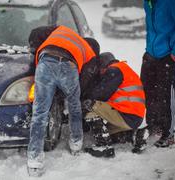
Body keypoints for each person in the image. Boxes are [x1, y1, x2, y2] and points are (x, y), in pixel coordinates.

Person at [27, 25, 98, 177]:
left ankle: (34, 161)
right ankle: (76, 144)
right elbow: (86, 79)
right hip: (68, 65)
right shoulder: (90, 52)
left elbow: (36, 32)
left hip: (45, 61)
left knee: (39, 113)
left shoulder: (61, 29)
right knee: (74, 106)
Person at [141, 0, 175, 147]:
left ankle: (168, 134)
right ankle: (154, 127)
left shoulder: (173, 1)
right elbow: (151, 28)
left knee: (167, 94)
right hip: (151, 53)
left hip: (170, 55)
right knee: (148, 91)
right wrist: (148, 48)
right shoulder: (148, 2)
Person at [82, 52, 147, 157]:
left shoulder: (114, 70)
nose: (100, 73)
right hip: (134, 116)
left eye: (100, 70)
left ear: (104, 65)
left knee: (89, 105)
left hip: (127, 114)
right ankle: (134, 135)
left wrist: (84, 96)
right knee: (106, 132)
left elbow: (100, 94)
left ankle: (104, 146)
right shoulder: (124, 69)